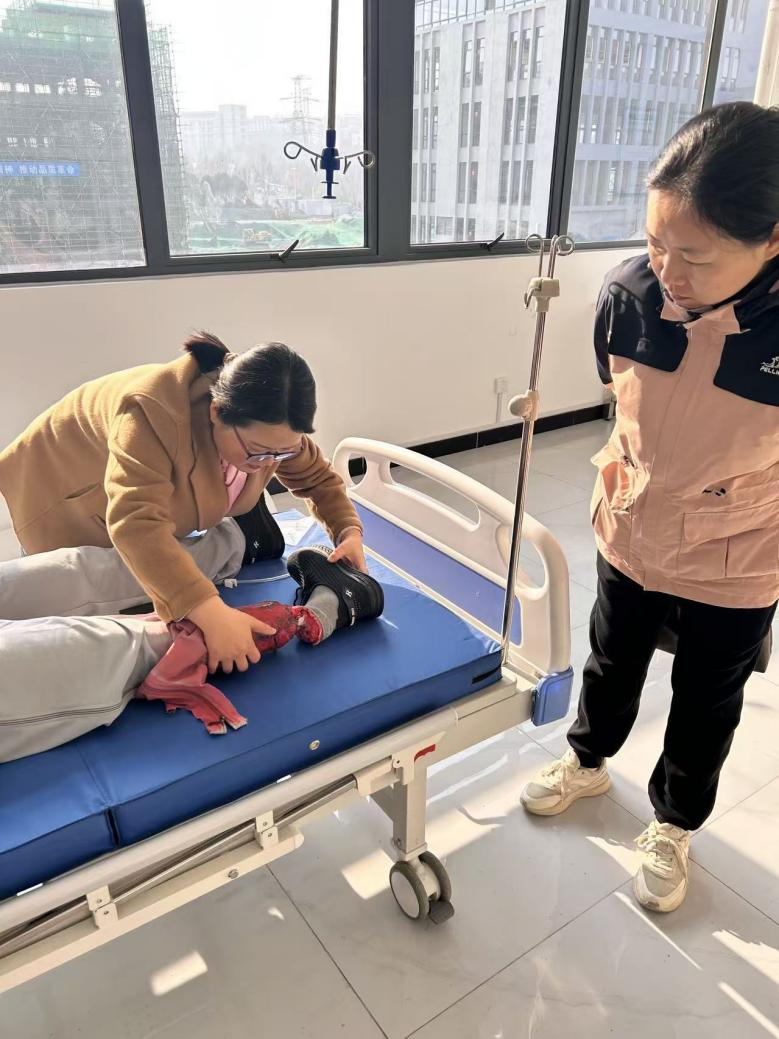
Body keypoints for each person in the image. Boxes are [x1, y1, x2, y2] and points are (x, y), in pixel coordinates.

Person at [521, 102, 779, 913]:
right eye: (655, 242)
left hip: (739, 550)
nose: (667, 269)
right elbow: (615, 393)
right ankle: (586, 761)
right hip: (630, 525)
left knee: (706, 697)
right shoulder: (627, 293)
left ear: (771, 240)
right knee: (610, 657)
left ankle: (672, 822)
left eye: (693, 256)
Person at [0, 333, 366, 676]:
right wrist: (207, 610)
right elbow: (136, 523)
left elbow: (318, 478)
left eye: (281, 453)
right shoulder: (150, 411)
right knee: (98, 591)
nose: (268, 463)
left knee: (157, 577)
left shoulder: (269, 424)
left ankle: (242, 534)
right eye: (258, 452)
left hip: (139, 492)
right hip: (63, 487)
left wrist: (347, 531)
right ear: (217, 412)